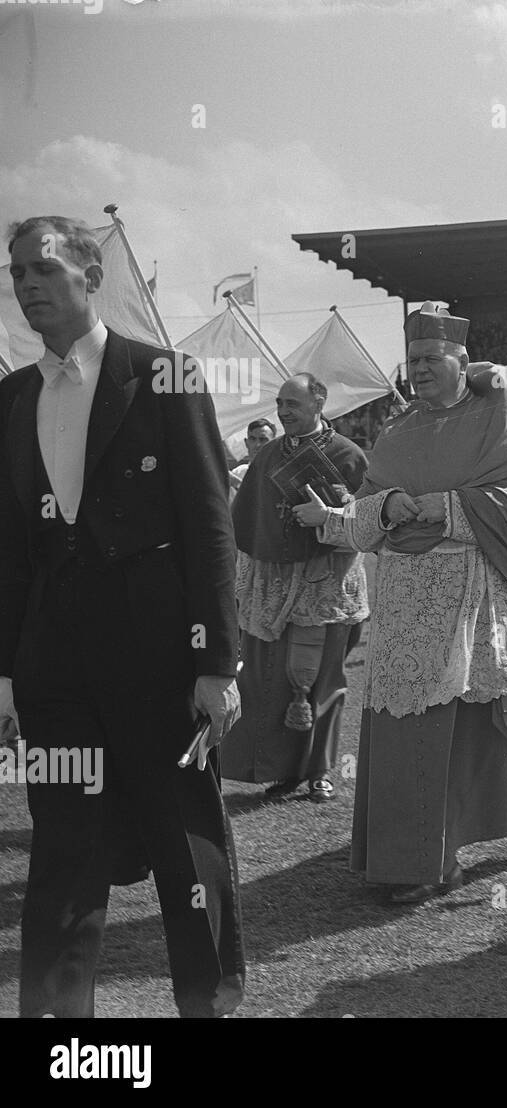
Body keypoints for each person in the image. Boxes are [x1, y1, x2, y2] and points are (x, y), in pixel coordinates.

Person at [0, 215, 243, 1017]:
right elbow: (7, 552)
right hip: (54, 676)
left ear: (90, 272)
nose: (27, 283)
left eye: (43, 268)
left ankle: (206, 1003)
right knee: (63, 857)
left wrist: (216, 664)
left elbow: (211, 525)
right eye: (16, 272)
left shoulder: (166, 375)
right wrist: (6, 674)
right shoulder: (12, 398)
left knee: (185, 848)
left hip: (161, 665)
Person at [294, 302, 507, 902]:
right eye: (412, 361)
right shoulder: (399, 430)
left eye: (432, 358)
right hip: (408, 604)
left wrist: (447, 508)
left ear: (463, 362)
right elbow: (364, 516)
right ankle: (421, 859)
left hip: (478, 596)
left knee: (495, 718)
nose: (420, 370)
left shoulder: (501, 420)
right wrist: (385, 509)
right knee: (415, 732)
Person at [223, 374, 369, 802]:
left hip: (325, 588)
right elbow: (246, 525)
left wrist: (327, 520)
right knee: (270, 682)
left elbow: (367, 525)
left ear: (320, 402)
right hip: (271, 591)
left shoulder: (348, 455)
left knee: (320, 683)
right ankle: (283, 770)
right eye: (280, 403)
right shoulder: (267, 456)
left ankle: (320, 770)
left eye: (293, 403)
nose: (284, 411)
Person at [228, 417, 276, 498]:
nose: (257, 445)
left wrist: (237, 483)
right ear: (246, 443)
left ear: (274, 443)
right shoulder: (239, 472)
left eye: (263, 439)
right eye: (253, 439)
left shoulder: (279, 473)